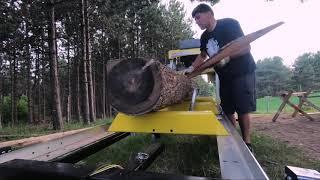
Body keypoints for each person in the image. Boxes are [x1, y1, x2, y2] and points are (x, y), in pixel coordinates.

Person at [187, 3, 256, 151]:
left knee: (242, 108)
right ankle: (233, 140)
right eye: (195, 20)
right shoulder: (204, 37)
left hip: (242, 72)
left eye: (198, 17)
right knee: (228, 109)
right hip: (224, 76)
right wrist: (192, 68)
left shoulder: (229, 24)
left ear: (209, 14)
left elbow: (246, 47)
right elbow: (203, 55)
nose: (197, 22)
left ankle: (247, 143)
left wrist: (228, 58)